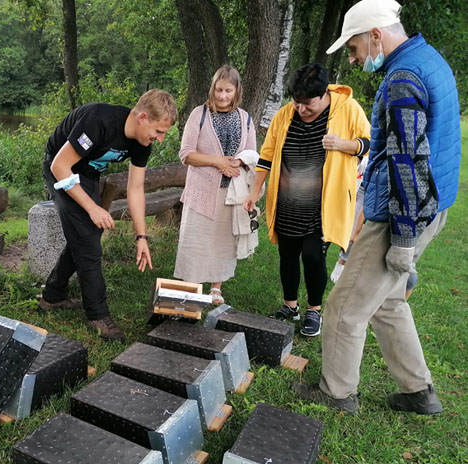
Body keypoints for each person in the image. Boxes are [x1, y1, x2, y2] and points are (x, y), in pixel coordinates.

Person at [293, 0, 460, 414]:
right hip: (432, 209)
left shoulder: (403, 78)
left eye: (353, 49)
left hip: (401, 215)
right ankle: (418, 392)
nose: (353, 59)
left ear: (375, 35)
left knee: (344, 308)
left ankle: (336, 393)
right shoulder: (428, 59)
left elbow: (407, 160)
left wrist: (401, 237)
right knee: (387, 301)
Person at [38, 90, 177, 341]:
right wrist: (92, 208)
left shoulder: (142, 143)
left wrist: (141, 236)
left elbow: (135, 189)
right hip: (59, 168)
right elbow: (60, 167)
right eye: (159, 132)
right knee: (89, 240)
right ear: (143, 117)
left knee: (86, 235)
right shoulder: (98, 120)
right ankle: (98, 314)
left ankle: (53, 296)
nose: (161, 139)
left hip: (87, 174)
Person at [244, 63, 370, 337]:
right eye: (296, 102)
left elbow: (369, 142)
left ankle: (314, 310)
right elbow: (266, 155)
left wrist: (344, 145)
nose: (300, 109)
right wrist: (255, 191)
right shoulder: (285, 115)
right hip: (287, 202)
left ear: (325, 93)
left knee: (313, 256)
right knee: (287, 255)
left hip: (324, 205)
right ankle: (290, 305)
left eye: (307, 103)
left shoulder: (348, 109)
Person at [174, 66, 258, 305]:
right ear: (212, 89)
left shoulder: (245, 118)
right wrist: (217, 162)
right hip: (202, 189)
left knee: (222, 241)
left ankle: (216, 288)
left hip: (231, 191)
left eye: (228, 90)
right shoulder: (198, 115)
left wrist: (239, 161)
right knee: (195, 240)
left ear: (236, 91)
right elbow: (186, 154)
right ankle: (191, 288)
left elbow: (252, 153)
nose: (222, 96)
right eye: (219, 90)